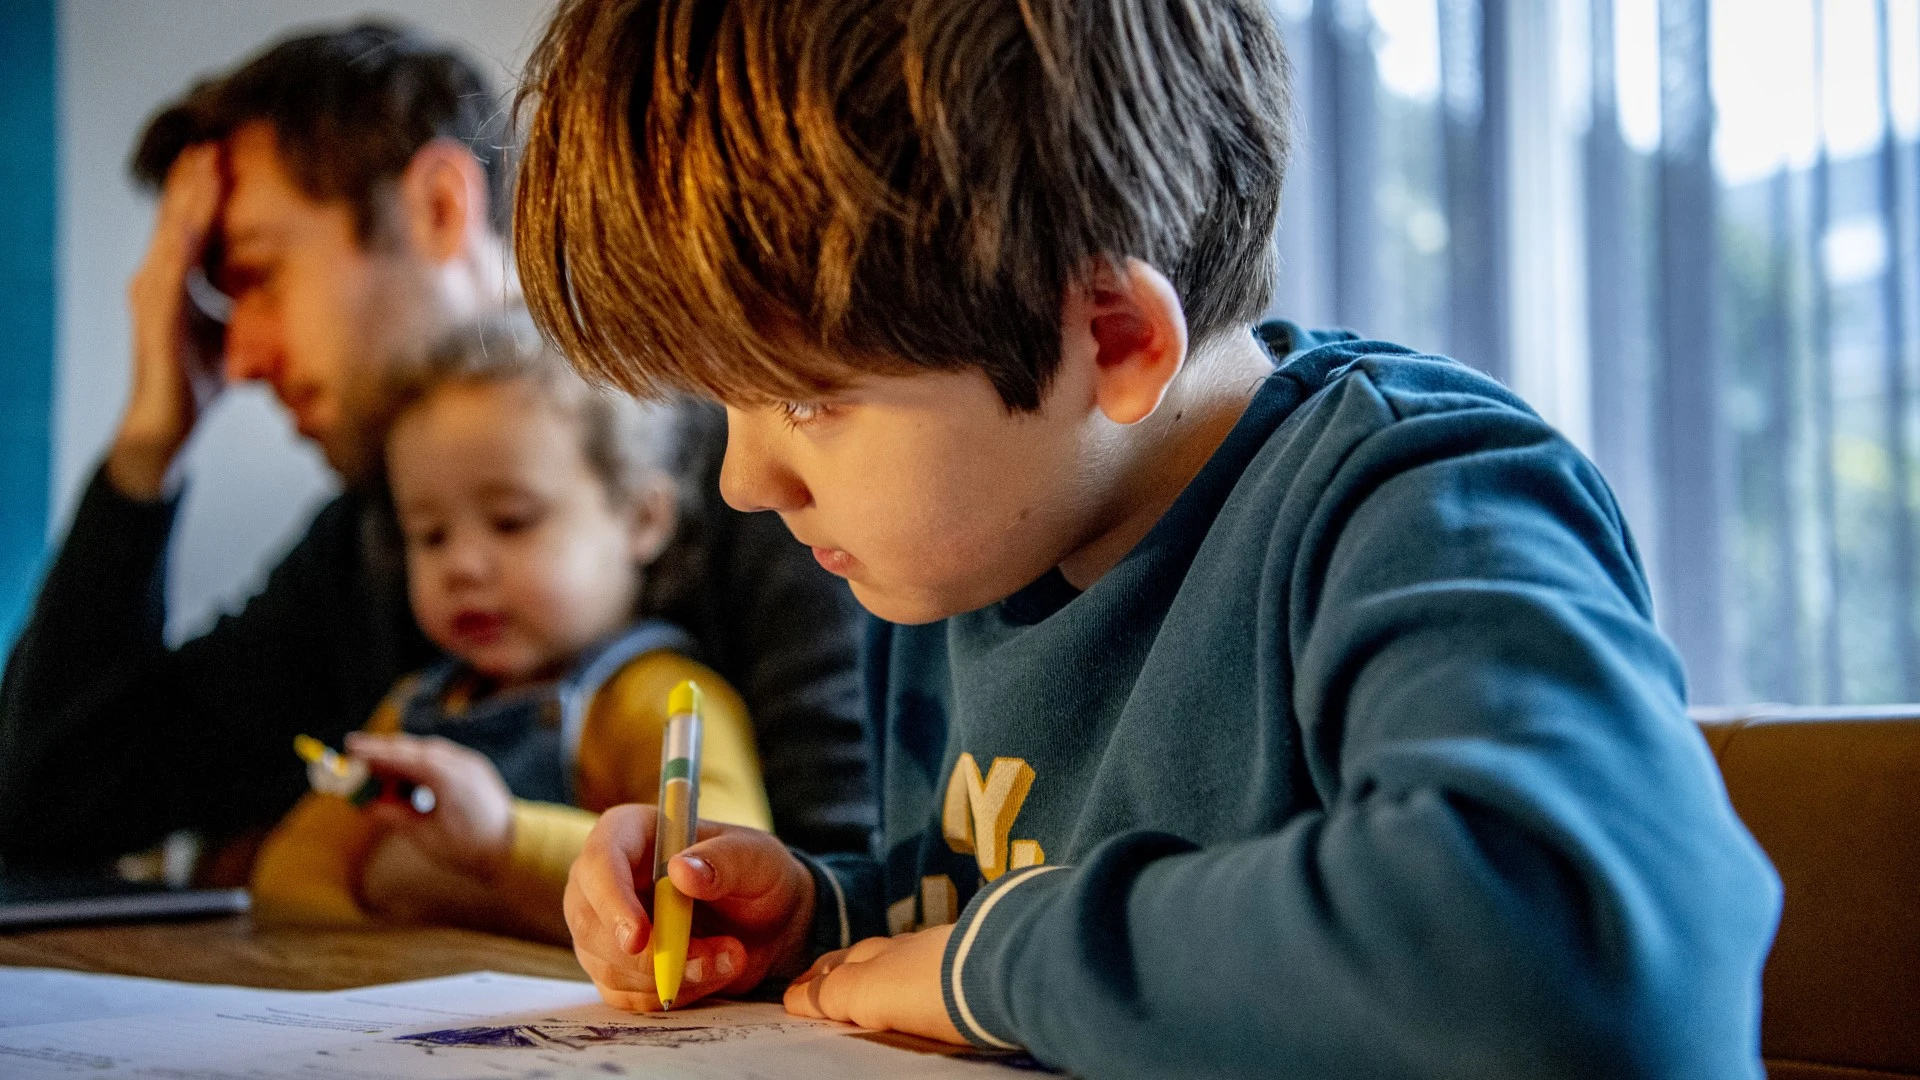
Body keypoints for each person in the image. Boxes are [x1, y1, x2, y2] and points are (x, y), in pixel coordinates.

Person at [517, 1, 1782, 1077]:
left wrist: (991, 961)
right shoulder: (971, 546)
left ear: (1113, 339)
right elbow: (994, 925)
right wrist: (822, 921)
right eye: (725, 401)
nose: (745, 480)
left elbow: (1574, 955)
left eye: (807, 398)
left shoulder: (1418, 498)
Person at [0, 21, 871, 875]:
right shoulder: (371, 538)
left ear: (440, 206)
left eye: (258, 275)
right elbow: (51, 802)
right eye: (436, 535)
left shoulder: (762, 488)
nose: (240, 357)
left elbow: (836, 878)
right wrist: (149, 446)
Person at [249, 319, 772, 944]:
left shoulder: (664, 703)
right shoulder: (413, 711)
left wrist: (505, 840)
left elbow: (727, 872)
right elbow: (298, 866)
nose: (462, 565)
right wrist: (347, 955)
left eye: (511, 521)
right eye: (430, 535)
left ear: (641, 518)